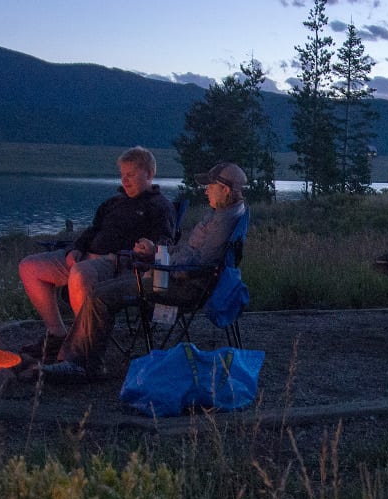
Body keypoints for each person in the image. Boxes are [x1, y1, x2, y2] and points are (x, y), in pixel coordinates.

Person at [39, 161, 249, 382]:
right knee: (101, 291)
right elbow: (191, 252)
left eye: (211, 186)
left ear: (225, 189)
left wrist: (160, 265)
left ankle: (81, 365)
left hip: (180, 286)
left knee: (100, 296)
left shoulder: (224, 221)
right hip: (180, 277)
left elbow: (197, 264)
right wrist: (157, 251)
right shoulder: (227, 213)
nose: (206, 190)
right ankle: (79, 358)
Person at [17, 146, 179, 360]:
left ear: (149, 174)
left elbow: (165, 242)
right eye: (122, 175)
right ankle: (57, 335)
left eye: (130, 175)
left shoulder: (160, 206)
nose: (125, 181)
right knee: (29, 267)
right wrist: (77, 248)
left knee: (81, 273)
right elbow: (93, 230)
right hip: (86, 256)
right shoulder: (113, 203)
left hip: (119, 264)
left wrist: (150, 248)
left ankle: (82, 353)